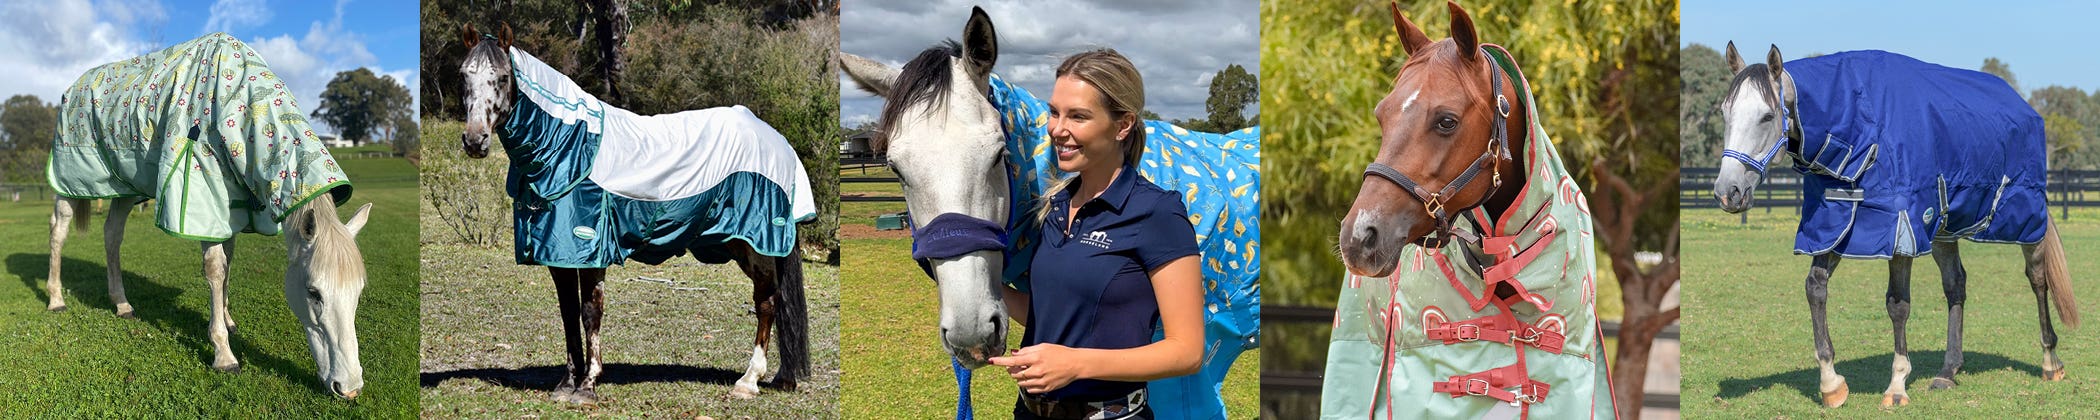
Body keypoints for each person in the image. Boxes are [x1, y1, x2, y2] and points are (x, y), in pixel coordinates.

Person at [987, 49, 1204, 420]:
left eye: (1078, 116)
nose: (1058, 129)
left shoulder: (1157, 213)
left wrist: (1075, 364)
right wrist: (982, 285)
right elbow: (1050, 314)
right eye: (1054, 112)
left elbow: (1187, 351)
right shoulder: (1055, 207)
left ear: (1123, 125)